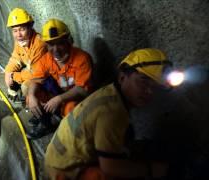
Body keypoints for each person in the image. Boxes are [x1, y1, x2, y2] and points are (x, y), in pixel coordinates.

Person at [45, 48, 175, 179]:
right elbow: (111, 169)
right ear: (122, 77)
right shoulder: (111, 112)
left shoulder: (111, 93)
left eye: (155, 86)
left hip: (61, 159)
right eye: (143, 81)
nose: (149, 92)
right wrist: (151, 171)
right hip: (64, 171)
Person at [26, 19, 93, 139]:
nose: (55, 50)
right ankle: (46, 123)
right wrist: (31, 96)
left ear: (69, 41)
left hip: (75, 98)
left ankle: (70, 131)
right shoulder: (46, 59)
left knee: (70, 109)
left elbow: (83, 90)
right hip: (58, 94)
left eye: (60, 43)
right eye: (51, 44)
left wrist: (59, 99)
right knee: (32, 96)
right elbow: (35, 80)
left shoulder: (82, 59)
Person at [5, 8, 47, 102]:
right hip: (32, 71)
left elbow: (35, 73)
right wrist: (8, 72)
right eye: (15, 31)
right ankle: (22, 96)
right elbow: (15, 58)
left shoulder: (39, 44)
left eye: (22, 29)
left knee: (26, 87)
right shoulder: (20, 41)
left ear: (30, 27)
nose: (18, 35)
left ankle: (42, 110)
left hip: (45, 78)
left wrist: (14, 76)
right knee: (10, 73)